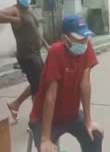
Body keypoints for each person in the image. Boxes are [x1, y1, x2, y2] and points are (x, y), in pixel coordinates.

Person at [29, 15, 104, 152]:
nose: (84, 42)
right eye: (80, 39)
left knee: (95, 135)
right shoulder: (56, 52)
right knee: (46, 149)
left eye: (86, 38)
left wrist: (88, 121)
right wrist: (46, 138)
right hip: (45, 119)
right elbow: (50, 97)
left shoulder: (87, 47)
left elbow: (85, 84)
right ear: (65, 39)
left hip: (71, 115)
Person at [0, 0, 50, 121]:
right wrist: (14, 20)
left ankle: (15, 104)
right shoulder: (15, 10)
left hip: (36, 53)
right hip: (27, 55)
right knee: (38, 87)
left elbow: (35, 30)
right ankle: (36, 119)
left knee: (38, 82)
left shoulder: (29, 9)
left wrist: (46, 45)